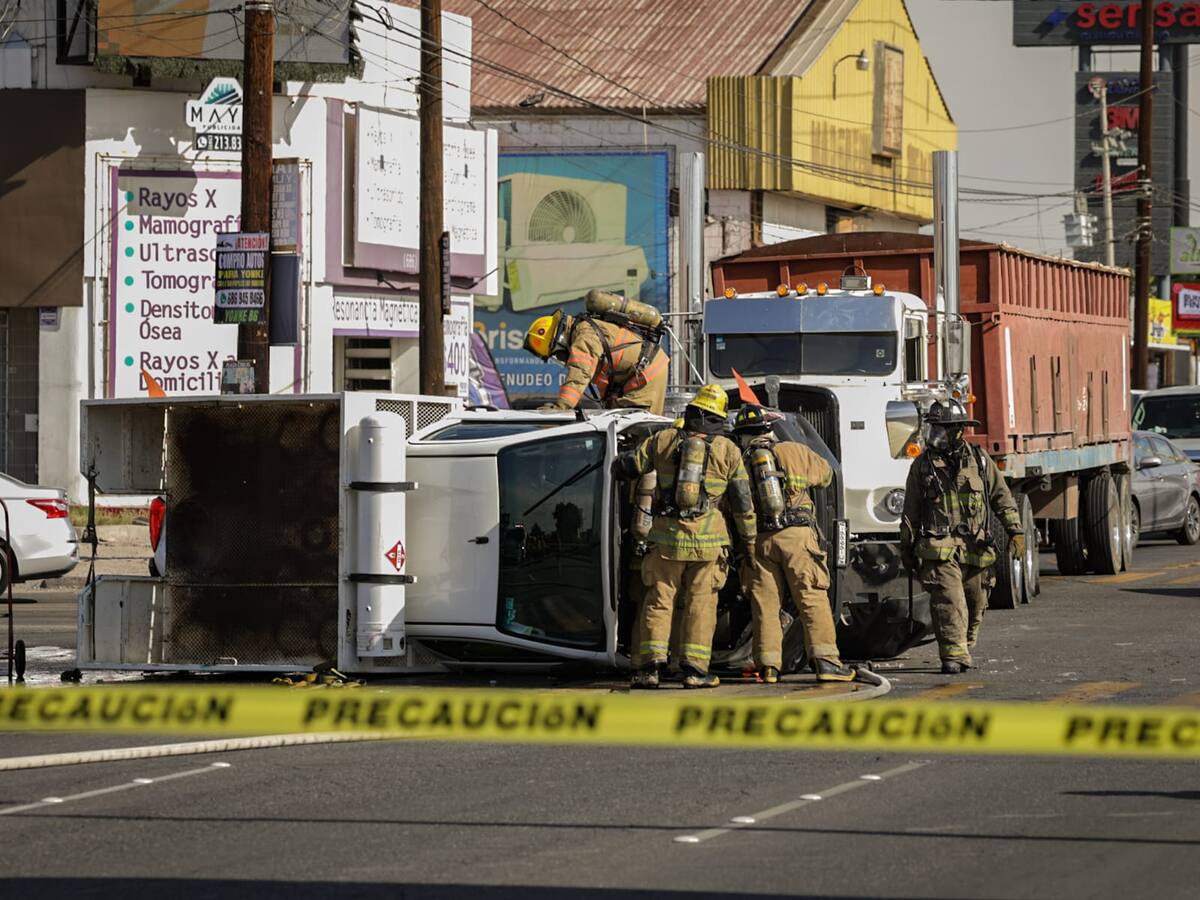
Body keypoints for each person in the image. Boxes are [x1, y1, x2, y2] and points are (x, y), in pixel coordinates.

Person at [612, 385, 756, 688]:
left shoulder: (662, 440)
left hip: (667, 540)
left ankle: (648, 669)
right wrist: (750, 540)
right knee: (701, 605)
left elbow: (628, 467)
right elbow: (743, 502)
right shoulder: (728, 450)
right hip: (709, 544)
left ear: (692, 412)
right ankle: (695, 671)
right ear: (719, 418)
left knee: (659, 600)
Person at [732, 405, 855, 684]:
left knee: (764, 604)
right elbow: (826, 476)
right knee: (811, 597)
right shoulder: (793, 450)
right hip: (797, 537)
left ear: (740, 435)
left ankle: (768, 667)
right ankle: (826, 662)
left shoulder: (737, 461)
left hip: (760, 540)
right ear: (767, 430)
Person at [899, 400, 1024, 674]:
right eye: (933, 428)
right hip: (938, 549)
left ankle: (963, 644)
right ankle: (952, 655)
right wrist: (906, 549)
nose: (936, 435)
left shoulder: (980, 461)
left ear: (957, 431)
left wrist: (1016, 531)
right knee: (949, 599)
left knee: (976, 601)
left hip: (975, 548)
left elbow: (1002, 498)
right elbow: (910, 512)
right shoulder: (922, 466)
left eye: (942, 429)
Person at [523, 307, 669, 415]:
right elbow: (606, 377)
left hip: (647, 376)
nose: (561, 358)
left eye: (557, 354)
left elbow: (580, 373)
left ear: (559, 341)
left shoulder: (584, 335)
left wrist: (562, 406)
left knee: (637, 433)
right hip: (638, 375)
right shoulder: (584, 330)